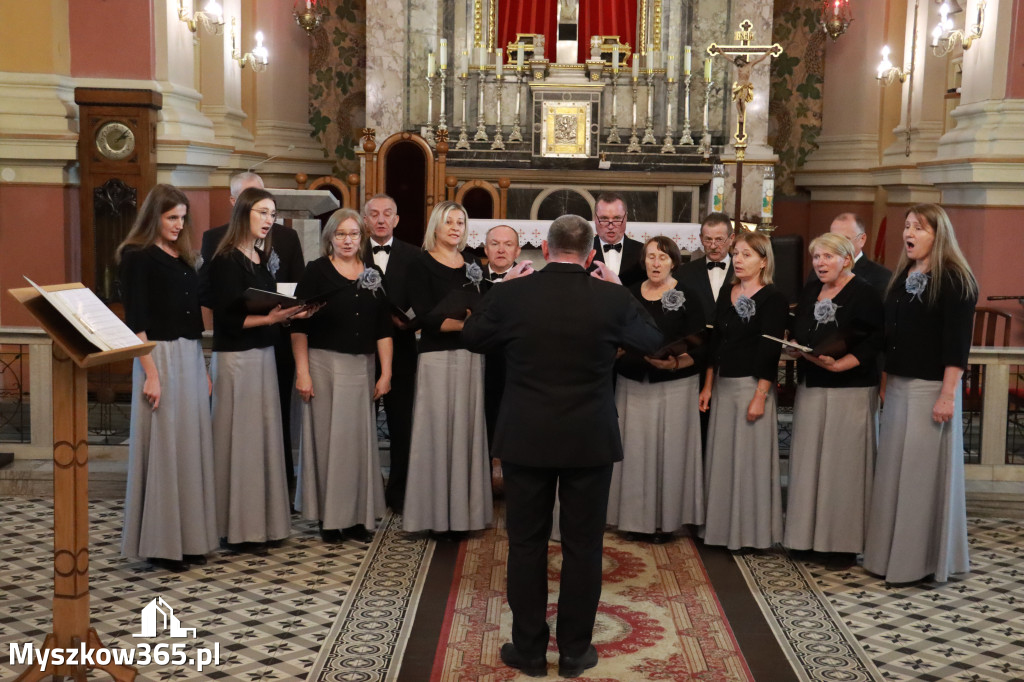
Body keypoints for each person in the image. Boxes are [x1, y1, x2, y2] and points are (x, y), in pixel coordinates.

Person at [463, 215, 662, 679]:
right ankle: (574, 652)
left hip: (526, 437)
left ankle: (529, 651)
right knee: (583, 547)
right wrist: (619, 287)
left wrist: (502, 286)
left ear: (545, 250)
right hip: (588, 439)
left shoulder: (513, 294)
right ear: (591, 254)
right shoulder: (611, 296)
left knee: (526, 545)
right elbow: (652, 340)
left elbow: (473, 337)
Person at [863, 204, 977, 586]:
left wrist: (947, 395)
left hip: (931, 390)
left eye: (918, 227)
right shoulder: (902, 277)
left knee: (919, 479)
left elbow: (956, 346)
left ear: (937, 234)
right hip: (897, 387)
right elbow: (886, 336)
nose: (908, 233)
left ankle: (919, 563)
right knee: (894, 473)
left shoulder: (956, 280)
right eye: (907, 226)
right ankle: (887, 556)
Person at [117, 184, 217, 572]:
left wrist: (203, 368)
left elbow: (193, 318)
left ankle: (190, 539)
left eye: (182, 217)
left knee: (189, 448)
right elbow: (136, 321)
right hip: (157, 356)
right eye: (171, 217)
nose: (179, 224)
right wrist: (152, 374)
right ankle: (161, 544)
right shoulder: (137, 257)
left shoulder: (183, 257)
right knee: (164, 450)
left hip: (189, 356)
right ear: (154, 217)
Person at [206, 187, 312, 549]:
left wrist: (289, 313)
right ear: (244, 214)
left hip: (264, 354)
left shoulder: (259, 256)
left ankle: (261, 524)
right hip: (237, 357)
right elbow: (226, 319)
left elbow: (269, 307)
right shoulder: (225, 259)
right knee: (239, 441)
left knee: (262, 440)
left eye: (272, 214)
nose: (270, 220)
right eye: (263, 213)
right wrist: (272, 317)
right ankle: (234, 527)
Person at [782, 233, 884, 570]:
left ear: (846, 259)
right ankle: (804, 538)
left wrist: (843, 363)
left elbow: (875, 342)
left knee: (844, 468)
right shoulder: (811, 290)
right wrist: (795, 345)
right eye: (816, 257)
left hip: (851, 388)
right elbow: (801, 328)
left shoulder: (865, 293)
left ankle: (842, 545)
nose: (820, 263)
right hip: (813, 383)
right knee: (809, 462)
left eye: (827, 257)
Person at [291, 209, 392, 544]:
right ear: (330, 238)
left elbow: (382, 328)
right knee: (327, 442)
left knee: (358, 444)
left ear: (361, 239)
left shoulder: (373, 272)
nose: (348, 241)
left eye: (354, 234)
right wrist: (303, 372)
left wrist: (386, 372)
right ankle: (330, 519)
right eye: (341, 234)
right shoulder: (316, 272)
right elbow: (299, 326)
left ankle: (358, 517)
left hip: (362, 366)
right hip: (322, 364)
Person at [607, 236, 707, 541]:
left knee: (669, 455)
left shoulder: (688, 295)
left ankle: (665, 522)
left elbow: (703, 346)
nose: (655, 263)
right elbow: (612, 333)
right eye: (650, 257)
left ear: (673, 262)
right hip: (633, 384)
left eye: (662, 257)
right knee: (633, 453)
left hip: (674, 387)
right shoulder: (627, 295)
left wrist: (676, 363)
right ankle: (632, 521)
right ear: (643, 261)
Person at [402, 201, 492, 535]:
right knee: (436, 432)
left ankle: (465, 516)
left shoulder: (472, 263)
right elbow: (424, 315)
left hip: (470, 356)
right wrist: (467, 323)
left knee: (466, 432)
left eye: (460, 222)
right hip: (436, 356)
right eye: (449, 222)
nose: (455, 228)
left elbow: (483, 306)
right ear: (435, 227)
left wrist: (471, 323)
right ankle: (434, 517)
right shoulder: (420, 264)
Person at [698, 230, 788, 550]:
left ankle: (752, 534)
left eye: (746, 254)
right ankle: (721, 530)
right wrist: (708, 386)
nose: (737, 259)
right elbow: (717, 341)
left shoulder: (773, 298)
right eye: (736, 253)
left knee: (750, 463)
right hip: (723, 385)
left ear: (764, 261)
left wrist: (760, 396)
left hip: (752, 387)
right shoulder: (729, 290)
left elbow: (770, 351)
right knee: (723, 459)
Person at [362, 193, 419, 514]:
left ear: (396, 220)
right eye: (374, 214)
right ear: (365, 219)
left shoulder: (413, 255)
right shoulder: (351, 252)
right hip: (362, 351)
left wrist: (412, 320)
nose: (381, 219)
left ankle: (399, 495)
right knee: (362, 425)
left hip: (403, 351)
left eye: (387, 214)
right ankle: (365, 494)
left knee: (402, 427)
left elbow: (423, 301)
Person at [676, 212, 736, 449]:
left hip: (732, 359)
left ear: (731, 239)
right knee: (697, 429)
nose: (713, 246)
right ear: (700, 238)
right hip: (697, 359)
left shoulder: (744, 271)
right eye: (708, 239)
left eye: (719, 239)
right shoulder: (685, 273)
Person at [482, 224, 521, 447]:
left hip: (514, 366)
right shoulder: (472, 279)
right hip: (479, 362)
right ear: (485, 249)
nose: (501, 250)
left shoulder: (530, 281)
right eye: (494, 244)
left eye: (508, 245)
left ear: (517, 251)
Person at [804, 213, 892, 294]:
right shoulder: (819, 270)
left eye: (845, 239)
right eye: (833, 239)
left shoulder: (882, 277)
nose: (837, 245)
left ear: (862, 239)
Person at [590, 191, 644, 287]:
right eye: (604, 218)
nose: (610, 226)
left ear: (626, 217)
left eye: (617, 218)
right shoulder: (582, 252)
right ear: (595, 218)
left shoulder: (643, 252)